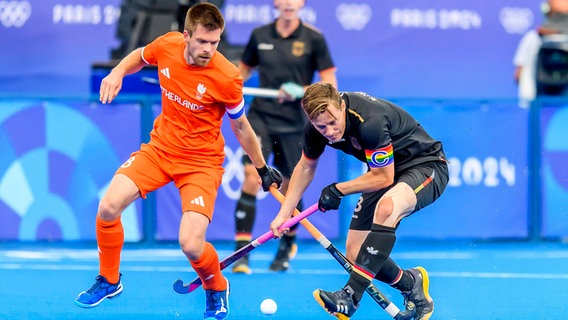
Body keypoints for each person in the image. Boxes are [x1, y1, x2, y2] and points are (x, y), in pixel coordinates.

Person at [73, 3, 282, 320]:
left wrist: (261, 168)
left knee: (191, 243)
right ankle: (109, 280)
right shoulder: (167, 44)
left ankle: (216, 287)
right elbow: (138, 56)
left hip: (201, 163)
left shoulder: (227, 77)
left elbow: (241, 126)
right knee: (107, 208)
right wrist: (117, 72)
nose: (209, 49)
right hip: (160, 150)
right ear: (186, 35)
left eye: (215, 43)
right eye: (202, 42)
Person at [269, 83, 449, 320]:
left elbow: (383, 177)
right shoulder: (316, 127)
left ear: (342, 106)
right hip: (383, 171)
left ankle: (350, 296)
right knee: (355, 253)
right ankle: (410, 283)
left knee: (387, 208)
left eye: (333, 122)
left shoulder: (369, 121)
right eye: (321, 126)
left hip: (425, 165)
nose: (330, 131)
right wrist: (284, 213)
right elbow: (306, 166)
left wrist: (338, 189)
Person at [231, 0, 337, 274]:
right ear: (276, 3)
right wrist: (228, 89)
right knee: (250, 176)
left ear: (301, 4)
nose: (289, 3)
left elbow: (331, 86)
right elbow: (241, 73)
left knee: (292, 185)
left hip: (296, 122)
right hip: (261, 117)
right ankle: (241, 251)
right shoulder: (260, 35)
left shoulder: (314, 38)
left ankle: (287, 244)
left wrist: (303, 90)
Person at [513, 0, 568, 107]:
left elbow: (518, 74)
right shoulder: (533, 38)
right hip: (537, 103)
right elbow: (518, 74)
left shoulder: (532, 38)